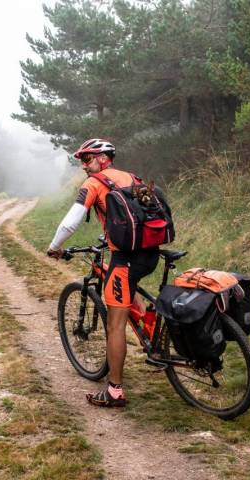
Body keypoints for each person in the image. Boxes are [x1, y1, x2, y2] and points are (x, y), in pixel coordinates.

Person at [47, 138, 160, 408]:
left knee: (115, 324)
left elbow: (70, 223)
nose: (84, 166)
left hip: (126, 258)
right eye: (82, 161)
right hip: (151, 252)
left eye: (87, 159)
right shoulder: (131, 177)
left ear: (102, 158)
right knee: (129, 290)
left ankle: (114, 391)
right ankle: (153, 337)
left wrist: (54, 247)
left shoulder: (95, 183)